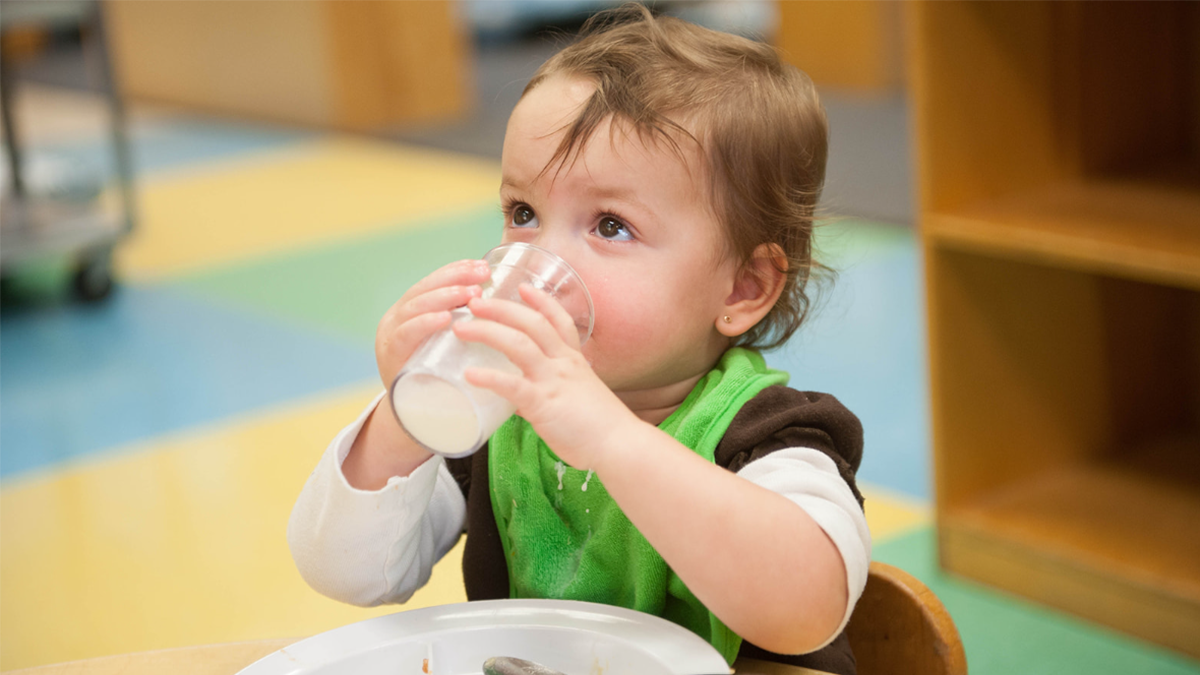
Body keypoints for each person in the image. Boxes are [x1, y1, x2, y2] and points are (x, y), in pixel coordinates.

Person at [288, 4, 870, 673]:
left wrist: (610, 437)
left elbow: (803, 610)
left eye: (611, 225)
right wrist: (403, 418)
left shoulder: (775, 439)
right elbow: (347, 572)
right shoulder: (498, 416)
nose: (542, 264)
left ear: (741, 288)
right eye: (524, 213)